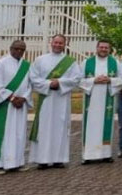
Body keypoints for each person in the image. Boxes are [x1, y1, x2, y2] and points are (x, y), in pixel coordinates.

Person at [29, 34, 82, 169]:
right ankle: (42, 160)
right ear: (51, 43)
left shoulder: (70, 62)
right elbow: (33, 78)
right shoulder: (40, 60)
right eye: (56, 42)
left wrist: (59, 82)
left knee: (61, 127)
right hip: (45, 98)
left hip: (62, 99)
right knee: (44, 128)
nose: (58, 45)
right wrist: (48, 84)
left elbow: (77, 78)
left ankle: (59, 159)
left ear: (65, 45)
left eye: (61, 43)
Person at [0, 40, 32, 174]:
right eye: (16, 49)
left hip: (20, 106)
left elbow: (29, 85)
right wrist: (11, 98)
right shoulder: (0, 64)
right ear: (10, 48)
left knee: (18, 134)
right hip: (4, 105)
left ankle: (16, 162)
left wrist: (24, 98)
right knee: (3, 134)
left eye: (22, 50)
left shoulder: (26, 65)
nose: (19, 51)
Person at [80, 40, 122, 164]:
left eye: (106, 48)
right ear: (97, 48)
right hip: (91, 101)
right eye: (101, 47)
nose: (104, 49)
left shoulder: (115, 62)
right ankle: (88, 156)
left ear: (109, 49)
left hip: (107, 101)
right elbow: (78, 80)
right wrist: (94, 80)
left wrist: (109, 80)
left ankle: (106, 154)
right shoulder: (87, 62)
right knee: (90, 126)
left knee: (106, 126)